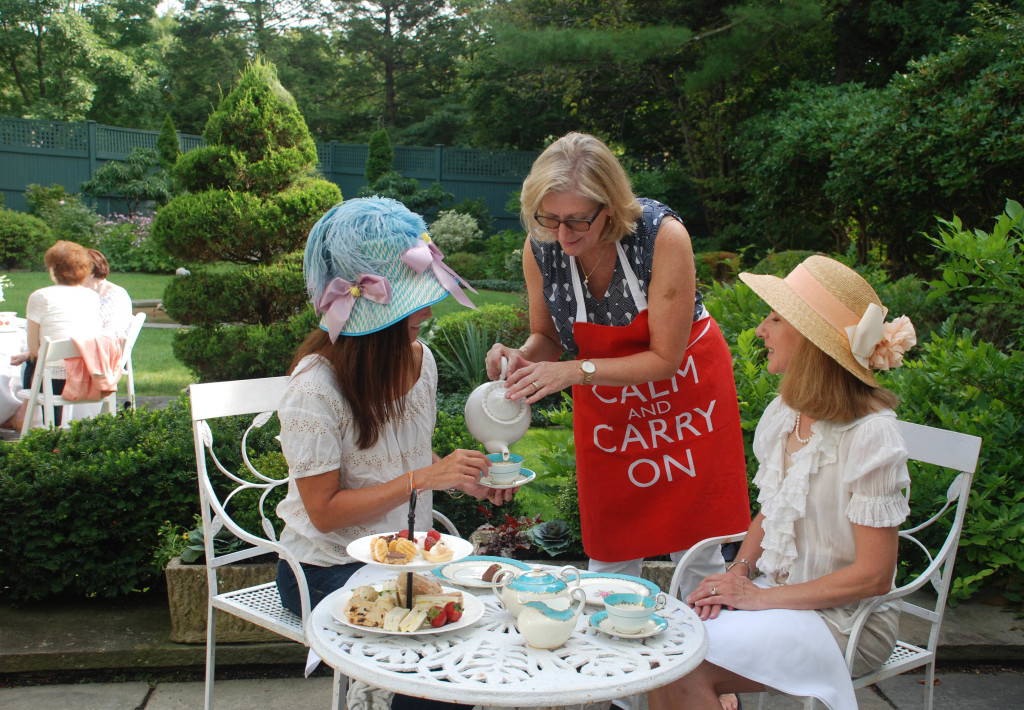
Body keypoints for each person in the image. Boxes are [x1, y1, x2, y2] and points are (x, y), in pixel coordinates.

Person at [647, 255, 919, 710]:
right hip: (778, 599)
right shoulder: (785, 415)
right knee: (662, 650)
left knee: (681, 667)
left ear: (811, 340)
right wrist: (738, 572)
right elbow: (773, 509)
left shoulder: (871, 435)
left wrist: (758, 598)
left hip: (848, 621)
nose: (760, 330)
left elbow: (874, 576)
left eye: (774, 318)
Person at [275, 197, 513, 710]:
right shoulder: (314, 388)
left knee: (500, 628)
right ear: (371, 317)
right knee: (436, 669)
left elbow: (413, 465)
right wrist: (425, 478)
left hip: (411, 559)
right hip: (324, 568)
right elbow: (323, 513)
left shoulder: (420, 361)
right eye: (412, 302)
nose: (427, 312)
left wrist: (465, 478)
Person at [486, 132, 750, 587]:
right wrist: (522, 357)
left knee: (699, 553)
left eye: (576, 221)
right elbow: (547, 336)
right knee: (610, 544)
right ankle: (607, 649)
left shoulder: (661, 236)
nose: (561, 234)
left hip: (686, 397)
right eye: (548, 218)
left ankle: (706, 653)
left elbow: (665, 358)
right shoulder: (542, 246)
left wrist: (572, 371)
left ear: (609, 206)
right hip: (609, 402)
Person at [7, 240, 102, 430]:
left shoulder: (40, 297)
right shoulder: (92, 297)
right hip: (88, 373)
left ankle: (37, 422)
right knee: (41, 362)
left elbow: (34, 350)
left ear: (53, 269)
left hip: (54, 379)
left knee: (34, 364)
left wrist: (29, 356)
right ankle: (52, 428)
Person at [85, 249, 133, 338]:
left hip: (104, 347)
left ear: (91, 272)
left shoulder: (116, 295)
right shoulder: (81, 293)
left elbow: (110, 333)